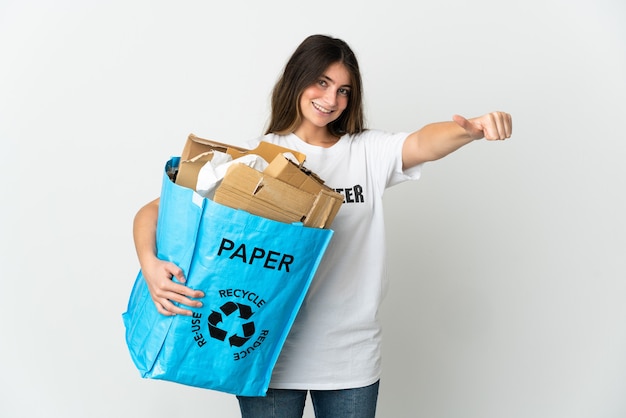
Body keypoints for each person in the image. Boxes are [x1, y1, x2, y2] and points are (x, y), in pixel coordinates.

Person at [132, 34, 512, 418]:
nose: (331, 100)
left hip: (351, 357)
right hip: (267, 352)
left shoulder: (367, 152)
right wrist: (150, 266)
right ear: (297, 79)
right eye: (323, 83)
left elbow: (423, 142)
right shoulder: (256, 161)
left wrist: (470, 130)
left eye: (344, 90)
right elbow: (154, 211)